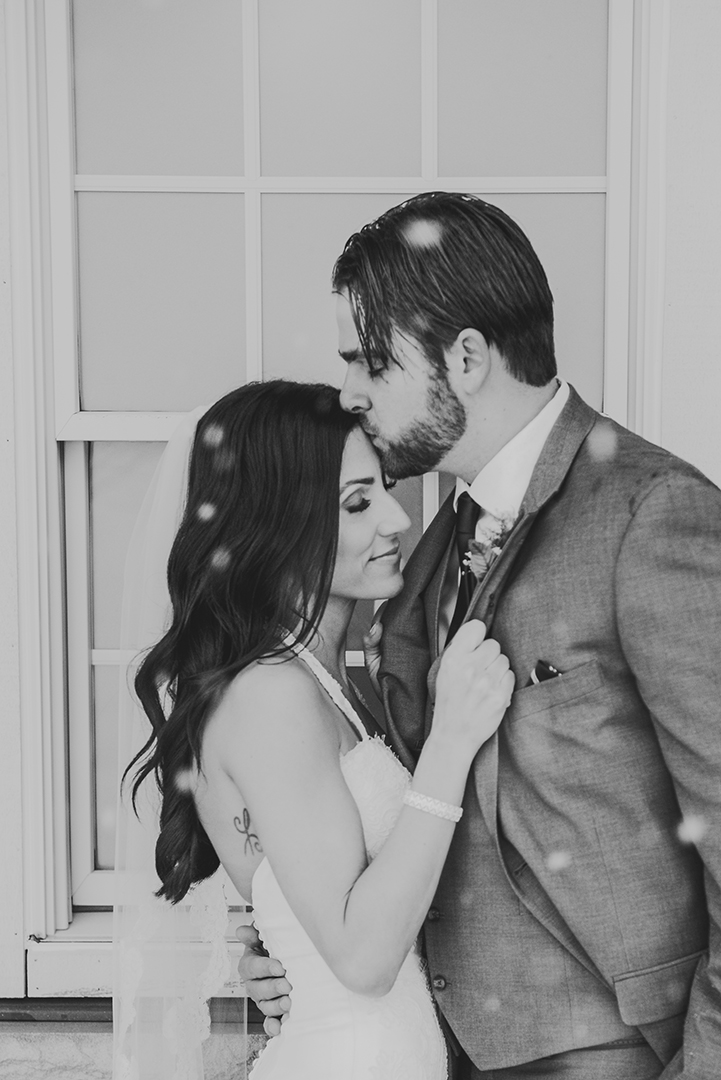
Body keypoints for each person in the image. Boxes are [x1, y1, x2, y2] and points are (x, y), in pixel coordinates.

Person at [241, 193, 721, 1079]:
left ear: (463, 358)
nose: (348, 391)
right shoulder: (428, 550)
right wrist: (298, 956)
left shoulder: (653, 515)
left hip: (612, 1050)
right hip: (436, 1045)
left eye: (369, 361)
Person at [125, 379, 515, 1080]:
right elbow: (362, 960)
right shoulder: (269, 694)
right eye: (357, 503)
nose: (396, 519)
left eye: (384, 489)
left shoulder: (331, 681)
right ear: (276, 524)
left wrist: (271, 957)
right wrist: (452, 743)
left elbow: (307, 907)